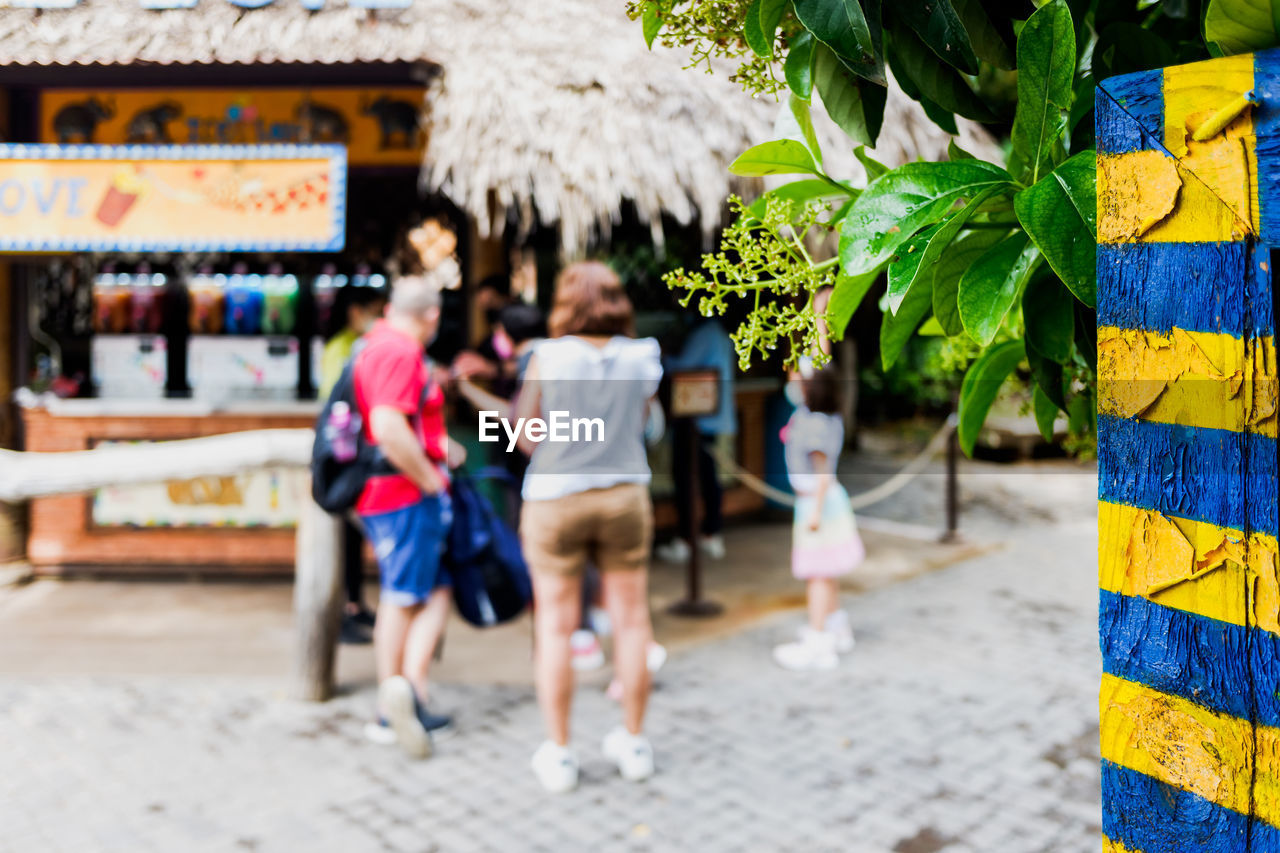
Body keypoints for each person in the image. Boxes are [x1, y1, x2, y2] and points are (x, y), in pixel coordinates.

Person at [514, 261, 663, 792]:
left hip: (556, 497)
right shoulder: (644, 356)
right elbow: (645, 424)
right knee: (630, 621)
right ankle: (635, 742)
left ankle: (558, 753)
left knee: (556, 626)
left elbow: (526, 433)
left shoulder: (546, 358)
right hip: (624, 495)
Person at [353, 275, 463, 758]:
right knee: (402, 596)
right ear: (432, 315)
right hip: (402, 495)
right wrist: (429, 479)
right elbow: (388, 428)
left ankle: (410, 690)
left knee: (434, 588)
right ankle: (388, 706)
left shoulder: (380, 345)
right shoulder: (398, 352)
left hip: (404, 491)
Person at [772, 364, 863, 672]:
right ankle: (835, 626)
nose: (793, 381)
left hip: (817, 505)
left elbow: (822, 476)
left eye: (799, 378)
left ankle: (818, 639)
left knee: (818, 576)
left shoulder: (814, 423)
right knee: (827, 573)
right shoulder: (823, 416)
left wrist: (813, 515)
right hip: (823, 504)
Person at [319, 283, 387, 645]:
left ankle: (355, 604)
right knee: (341, 539)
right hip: (344, 458)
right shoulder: (342, 348)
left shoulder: (362, 345)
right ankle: (342, 611)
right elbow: (338, 406)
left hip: (359, 458)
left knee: (353, 540)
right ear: (355, 312)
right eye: (375, 310)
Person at [655, 316, 737, 563]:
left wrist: (662, 357)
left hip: (695, 419)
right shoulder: (720, 333)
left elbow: (681, 365)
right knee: (707, 476)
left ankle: (687, 539)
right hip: (709, 418)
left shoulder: (704, 334)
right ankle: (711, 533)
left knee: (688, 477)